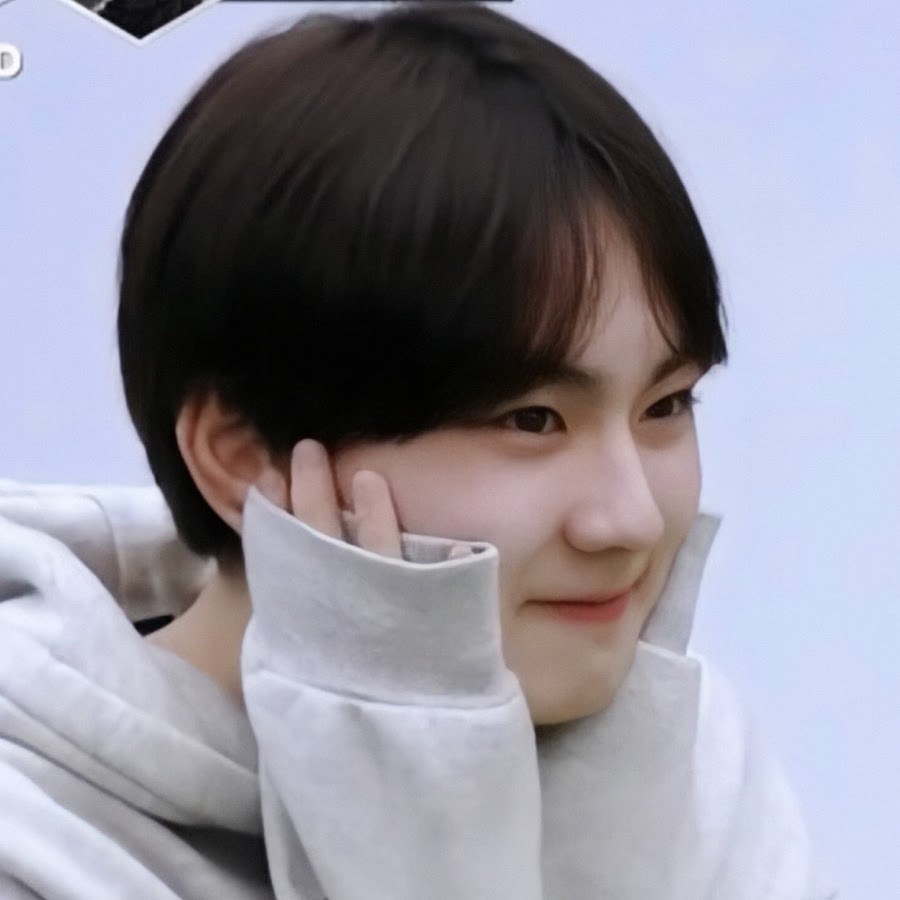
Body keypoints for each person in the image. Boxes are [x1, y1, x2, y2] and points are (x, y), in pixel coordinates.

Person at [0, 3, 836, 897]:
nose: (629, 520)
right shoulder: (36, 845)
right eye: (531, 420)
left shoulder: (697, 767)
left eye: (665, 405)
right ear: (243, 460)